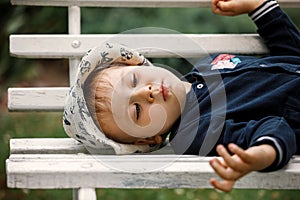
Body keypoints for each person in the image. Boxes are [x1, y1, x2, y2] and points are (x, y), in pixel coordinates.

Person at [63, 0, 300, 192]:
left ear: (138, 62)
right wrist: (263, 153)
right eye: (136, 110)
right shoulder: (196, 132)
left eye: (133, 80)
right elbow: (272, 127)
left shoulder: (207, 68)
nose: (147, 93)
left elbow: (289, 56)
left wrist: (260, 8)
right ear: (148, 139)